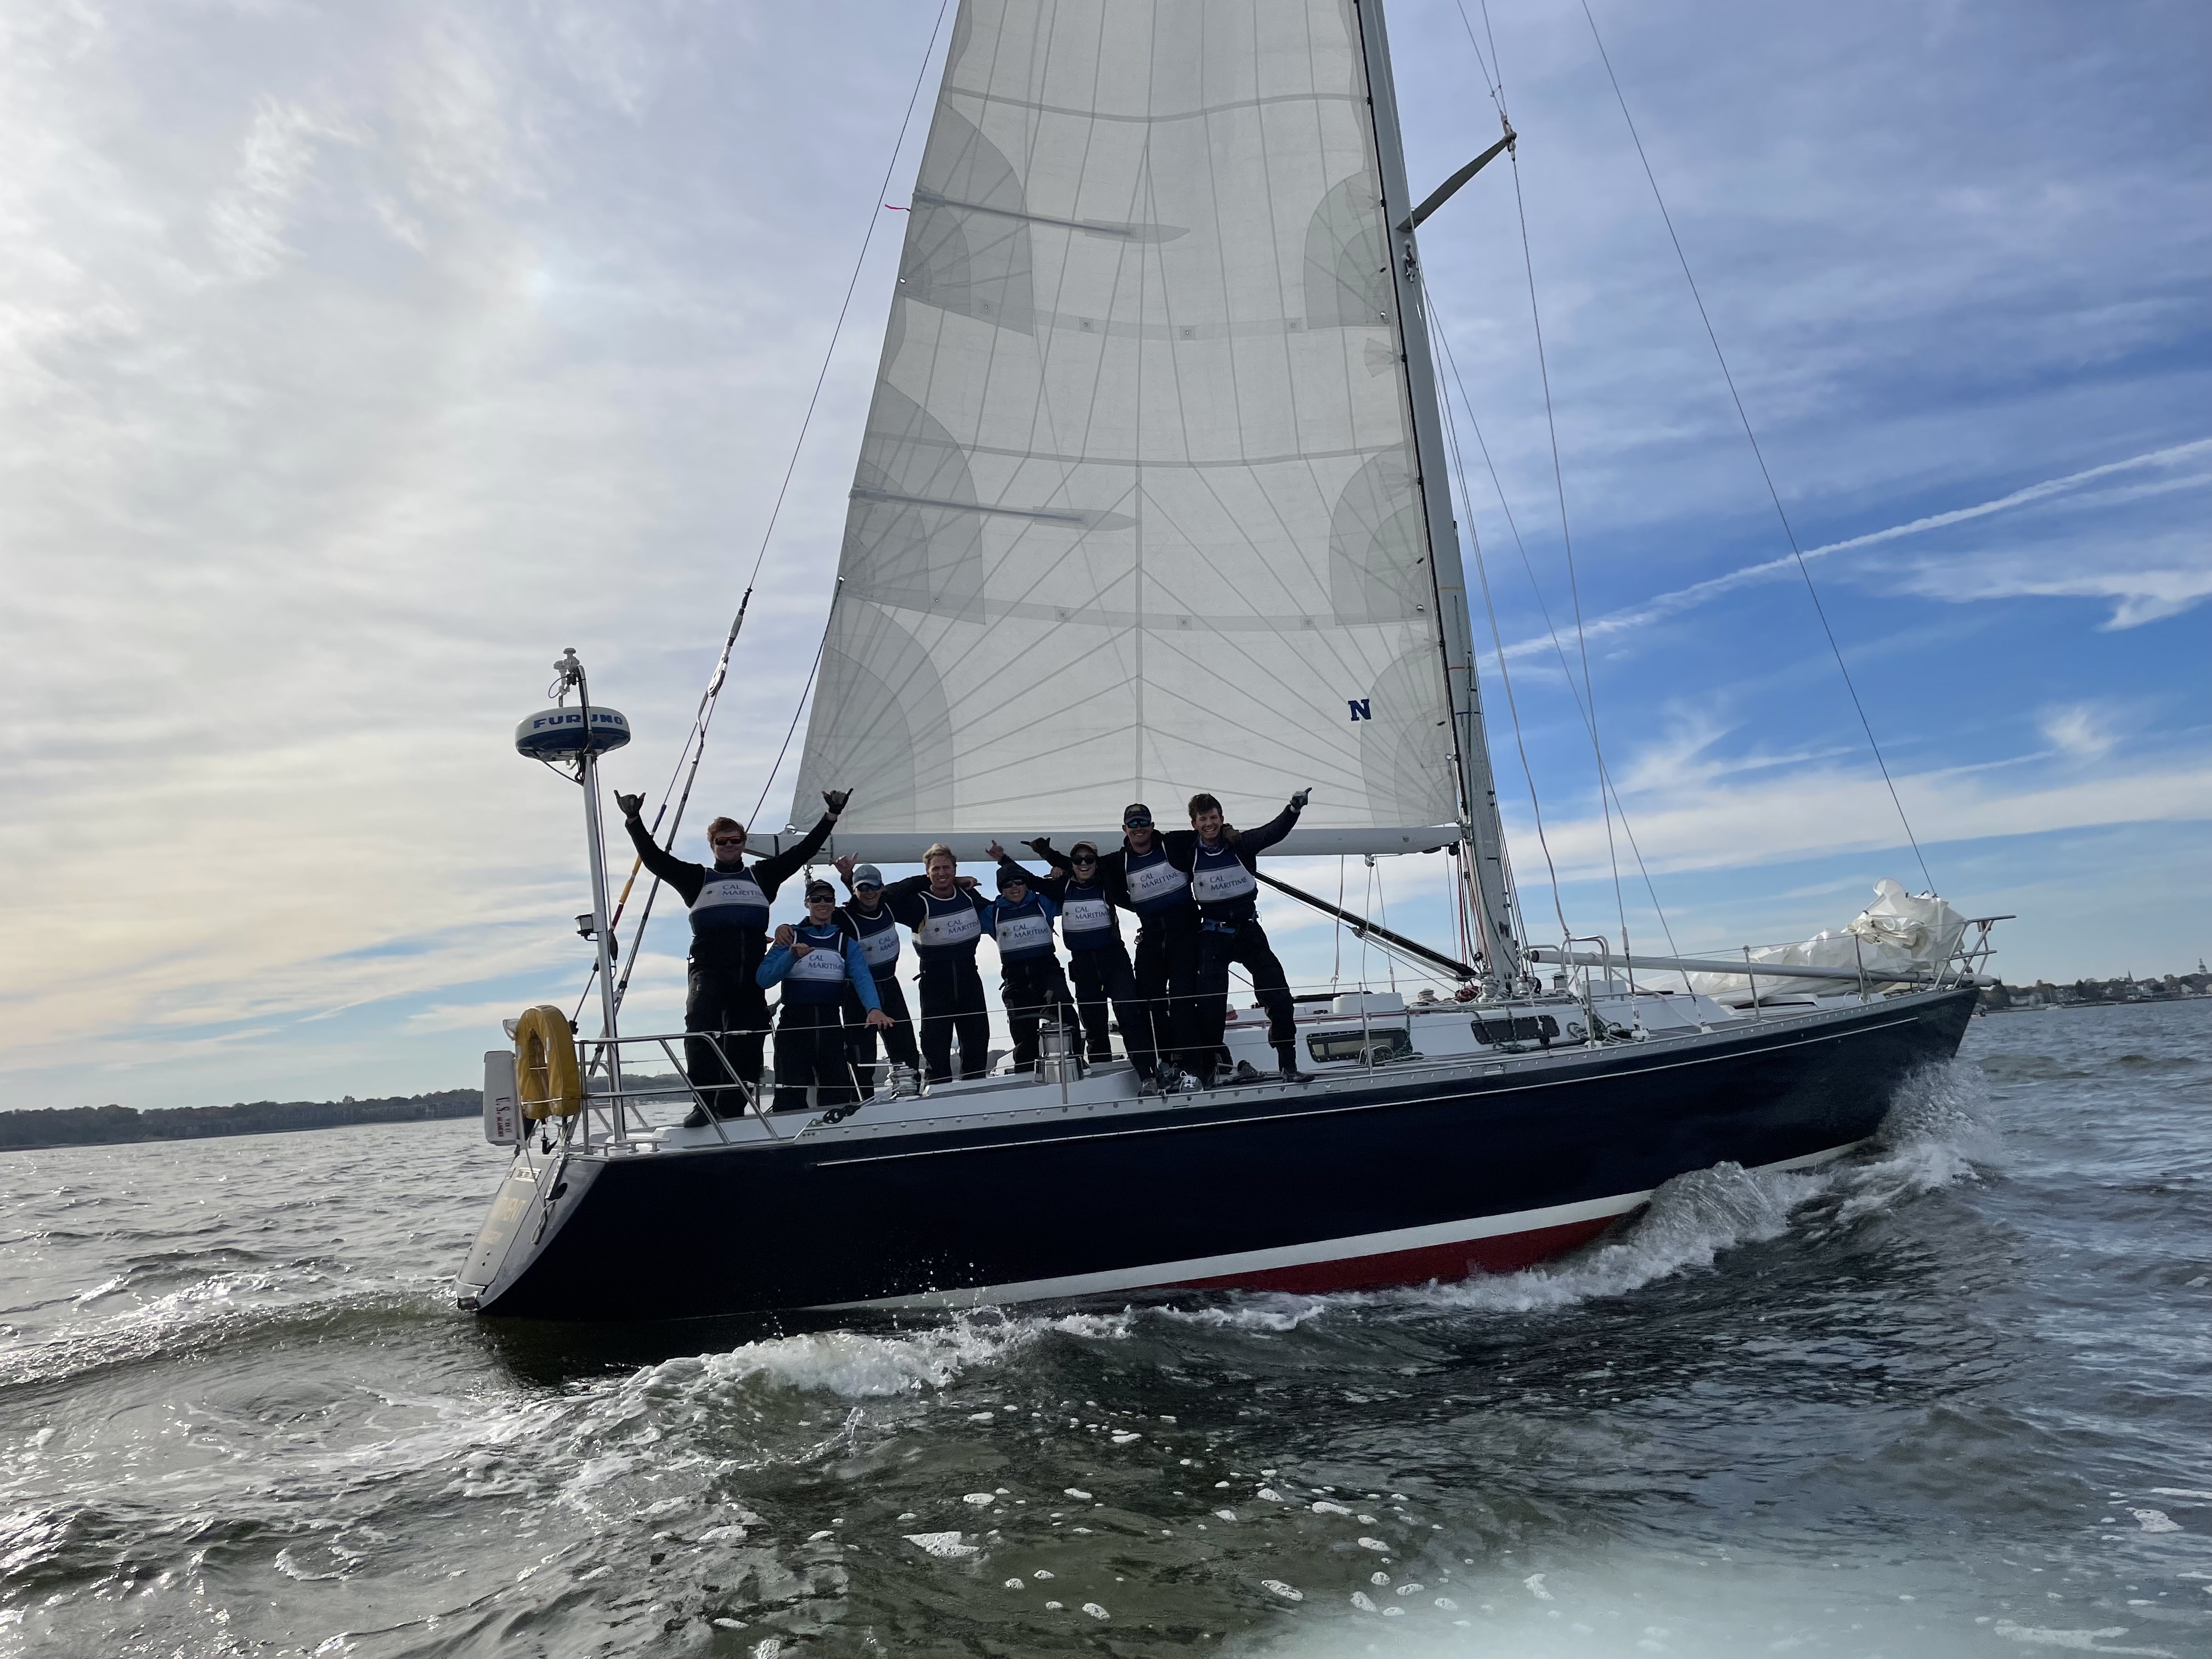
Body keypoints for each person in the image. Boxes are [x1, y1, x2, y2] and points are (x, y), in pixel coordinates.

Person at [616, 787, 850, 1126]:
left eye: (735, 840)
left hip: (750, 974)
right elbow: (655, 859)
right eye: (722, 842)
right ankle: (705, 1103)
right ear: (712, 846)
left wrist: (831, 816)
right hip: (709, 970)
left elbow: (802, 852)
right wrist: (634, 821)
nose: (730, 846)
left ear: (742, 842)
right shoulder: (697, 878)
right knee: (701, 1025)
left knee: (749, 1038)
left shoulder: (762, 876)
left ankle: (731, 1106)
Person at [1028, 803, 1200, 1084]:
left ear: (1152, 824)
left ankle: (1178, 1066)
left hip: (1169, 941)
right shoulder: (1083, 878)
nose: (1085, 864)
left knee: (1163, 1005)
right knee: (1106, 1020)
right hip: (1100, 958)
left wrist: (1228, 832)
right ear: (1124, 829)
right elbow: (1035, 879)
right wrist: (1040, 856)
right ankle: (1118, 1074)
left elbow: (1205, 835)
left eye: (1143, 821)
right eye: (1132, 824)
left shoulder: (1157, 851)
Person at [1167, 788, 1313, 1086]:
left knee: (1280, 998)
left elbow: (1272, 833)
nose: (1209, 824)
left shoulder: (1240, 844)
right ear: (1194, 823)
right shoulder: (1186, 850)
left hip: (1248, 931)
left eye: (1214, 818)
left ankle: (1289, 1064)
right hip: (1212, 935)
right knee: (1210, 1007)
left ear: (1222, 818)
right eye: (1202, 820)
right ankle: (1210, 1069)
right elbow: (1155, 841)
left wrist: (1293, 809)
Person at [990, 838, 1160, 1087]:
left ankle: (1148, 1075)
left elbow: (1137, 901)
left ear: (1096, 862)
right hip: (1083, 964)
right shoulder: (1063, 887)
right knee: (1093, 1025)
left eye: (1089, 859)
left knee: (1129, 1015)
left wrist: (1156, 927)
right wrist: (1003, 860)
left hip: (1114, 959)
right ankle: (1103, 1079)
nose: (1083, 864)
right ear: (1072, 864)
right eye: (1078, 860)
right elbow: (1028, 880)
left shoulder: (1107, 883)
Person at [756, 880, 891, 1115]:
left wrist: (874, 1008)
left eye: (828, 899)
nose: (823, 903)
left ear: (834, 904)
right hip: (795, 1024)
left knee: (837, 1092)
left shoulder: (845, 942)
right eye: (816, 899)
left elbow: (862, 977)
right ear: (807, 903)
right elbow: (763, 979)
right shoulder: (791, 937)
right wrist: (790, 956)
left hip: (830, 1024)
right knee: (790, 1094)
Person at [877, 845, 994, 1082]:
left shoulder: (969, 896)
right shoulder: (918, 903)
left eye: (947, 868)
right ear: (927, 873)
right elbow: (884, 896)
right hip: (934, 979)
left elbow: (1000, 913)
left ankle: (976, 1088)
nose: (942, 873)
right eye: (936, 869)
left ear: (955, 868)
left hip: (968, 974)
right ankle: (938, 1091)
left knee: (977, 1038)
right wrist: (925, 881)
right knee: (936, 1043)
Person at [831, 858, 923, 1099]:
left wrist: (958, 881)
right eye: (863, 888)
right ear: (855, 889)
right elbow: (814, 923)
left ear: (882, 887)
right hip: (856, 994)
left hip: (889, 985)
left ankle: (908, 1094)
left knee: (905, 1049)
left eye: (873, 887)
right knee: (861, 1056)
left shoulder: (889, 899)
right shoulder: (843, 917)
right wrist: (786, 930)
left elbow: (915, 882)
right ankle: (861, 1103)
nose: (869, 892)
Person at [978, 860, 1077, 1074]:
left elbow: (1068, 891)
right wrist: (961, 884)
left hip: (1047, 969)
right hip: (1015, 976)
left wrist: (1062, 873)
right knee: (1023, 1031)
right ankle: (1024, 1073)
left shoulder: (1043, 903)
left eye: (1019, 882)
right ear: (1001, 889)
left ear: (1027, 884)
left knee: (1064, 1010)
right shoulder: (992, 912)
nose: (1014, 887)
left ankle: (1076, 1060)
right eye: (1007, 884)